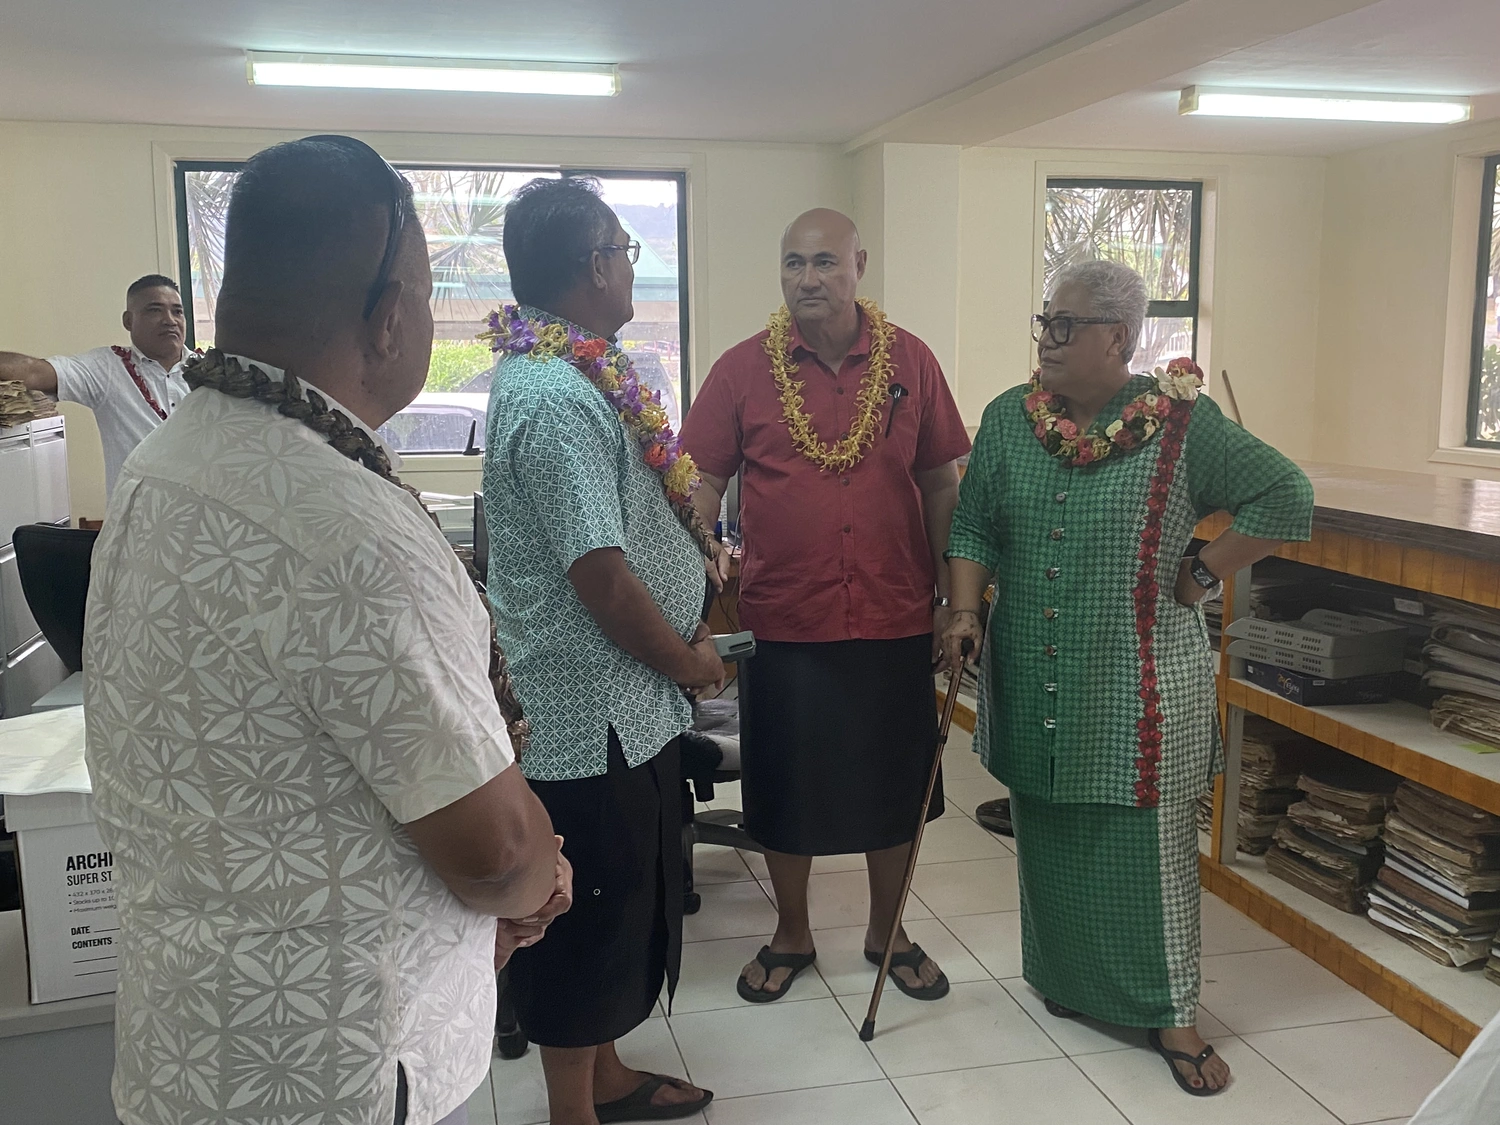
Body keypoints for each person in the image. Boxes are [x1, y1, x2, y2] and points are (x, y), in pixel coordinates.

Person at [83, 136, 569, 1125]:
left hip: (191, 1045)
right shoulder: (346, 525)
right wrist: (540, 877)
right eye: (428, 295)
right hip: (333, 1071)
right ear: (389, 320)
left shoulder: (163, 466)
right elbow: (494, 851)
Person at [941, 259, 1314, 1096]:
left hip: (1137, 684)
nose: (1047, 339)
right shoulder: (1009, 419)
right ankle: (1070, 981)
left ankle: (1171, 1013)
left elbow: (1286, 495)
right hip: (1035, 672)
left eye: (1065, 325)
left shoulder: (1181, 423)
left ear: (1118, 338)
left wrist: (1203, 570)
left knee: (1148, 848)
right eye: (1044, 322)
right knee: (1049, 831)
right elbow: (974, 525)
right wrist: (963, 611)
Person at [680, 209, 971, 1004]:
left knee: (895, 786)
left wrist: (954, 600)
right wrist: (698, 551)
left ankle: (888, 930)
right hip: (784, 617)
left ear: (858, 265)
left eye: (823, 262)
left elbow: (942, 481)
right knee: (786, 786)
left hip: (893, 610)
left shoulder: (912, 361)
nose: (806, 278)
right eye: (793, 264)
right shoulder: (743, 368)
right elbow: (699, 482)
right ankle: (792, 931)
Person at [479, 176, 719, 1125]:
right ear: (592, 265)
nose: (630, 266)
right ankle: (571, 1110)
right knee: (585, 922)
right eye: (625, 250)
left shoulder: (577, 374)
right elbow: (604, 579)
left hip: (626, 709)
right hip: (589, 722)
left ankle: (606, 1075)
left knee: (620, 909)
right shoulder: (554, 397)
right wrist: (690, 663)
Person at [0, 274, 192, 495]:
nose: (170, 320)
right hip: (137, 514)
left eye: (177, 311)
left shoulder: (213, 374)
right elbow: (34, 372)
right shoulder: (107, 368)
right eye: (154, 310)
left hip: (205, 513)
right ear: (128, 321)